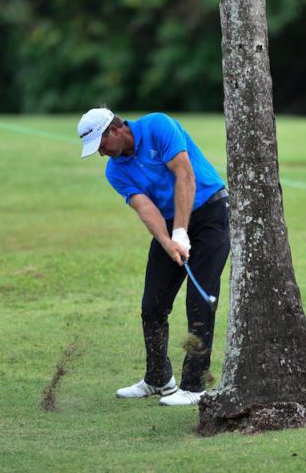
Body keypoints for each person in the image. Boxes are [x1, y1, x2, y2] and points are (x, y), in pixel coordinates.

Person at [77, 107, 230, 406]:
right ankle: (159, 379)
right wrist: (167, 240)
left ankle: (195, 386)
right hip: (170, 224)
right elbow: (146, 209)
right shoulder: (115, 170)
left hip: (211, 212)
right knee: (152, 305)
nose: (101, 154)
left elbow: (184, 174)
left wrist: (182, 232)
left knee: (199, 301)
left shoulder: (157, 126)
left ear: (114, 130)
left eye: (101, 145)